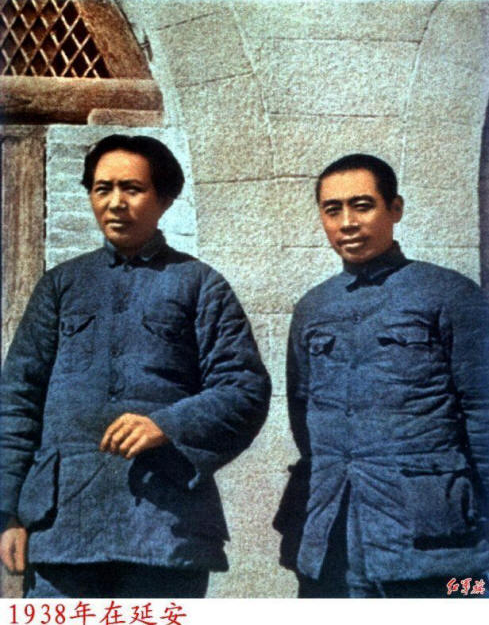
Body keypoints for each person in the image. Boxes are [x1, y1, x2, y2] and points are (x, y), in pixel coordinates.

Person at [0, 134, 271, 598]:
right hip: (62, 527)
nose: (116, 203)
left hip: (165, 526)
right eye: (102, 189)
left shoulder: (200, 285)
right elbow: (17, 400)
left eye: (132, 189)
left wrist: (167, 424)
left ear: (164, 199)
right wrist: (8, 512)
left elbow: (244, 390)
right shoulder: (61, 286)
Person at [274, 153, 489, 598]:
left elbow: (483, 411)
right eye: (332, 210)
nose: (347, 223)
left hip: (435, 539)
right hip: (335, 534)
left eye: (362, 205)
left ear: (396, 209)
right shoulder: (314, 308)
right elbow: (303, 414)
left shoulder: (450, 294)